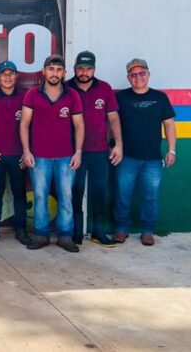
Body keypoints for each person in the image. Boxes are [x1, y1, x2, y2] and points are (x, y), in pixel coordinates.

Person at [20, 54, 84, 253]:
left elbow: (79, 126)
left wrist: (78, 152)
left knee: (66, 196)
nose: (54, 73)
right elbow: (24, 124)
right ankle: (41, 234)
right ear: (44, 71)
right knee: (40, 196)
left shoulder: (72, 95)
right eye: (51, 69)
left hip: (66, 157)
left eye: (58, 70)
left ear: (64, 73)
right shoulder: (32, 94)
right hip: (39, 157)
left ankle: (65, 236)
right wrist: (26, 151)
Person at [113, 58, 176, 246]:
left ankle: (148, 231)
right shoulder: (120, 97)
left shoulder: (160, 98)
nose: (138, 77)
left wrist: (172, 150)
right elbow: (112, 123)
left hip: (153, 159)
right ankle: (121, 229)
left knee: (150, 196)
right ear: (128, 77)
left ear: (148, 75)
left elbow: (169, 125)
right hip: (126, 158)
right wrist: (112, 145)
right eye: (133, 75)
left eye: (142, 73)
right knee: (122, 194)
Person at [66, 51, 122, 248]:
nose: (84, 72)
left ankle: (98, 231)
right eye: (80, 68)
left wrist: (119, 144)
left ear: (94, 69)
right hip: (73, 151)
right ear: (74, 69)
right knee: (75, 191)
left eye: (88, 69)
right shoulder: (66, 88)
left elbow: (113, 118)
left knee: (99, 191)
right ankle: (76, 232)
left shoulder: (105, 88)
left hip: (99, 150)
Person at [0, 60, 30, 245]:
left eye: (11, 74)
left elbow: (33, 126)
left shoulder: (26, 97)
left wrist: (27, 151)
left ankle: (21, 230)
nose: (8, 77)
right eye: (4, 74)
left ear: (16, 76)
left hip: (19, 154)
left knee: (19, 192)